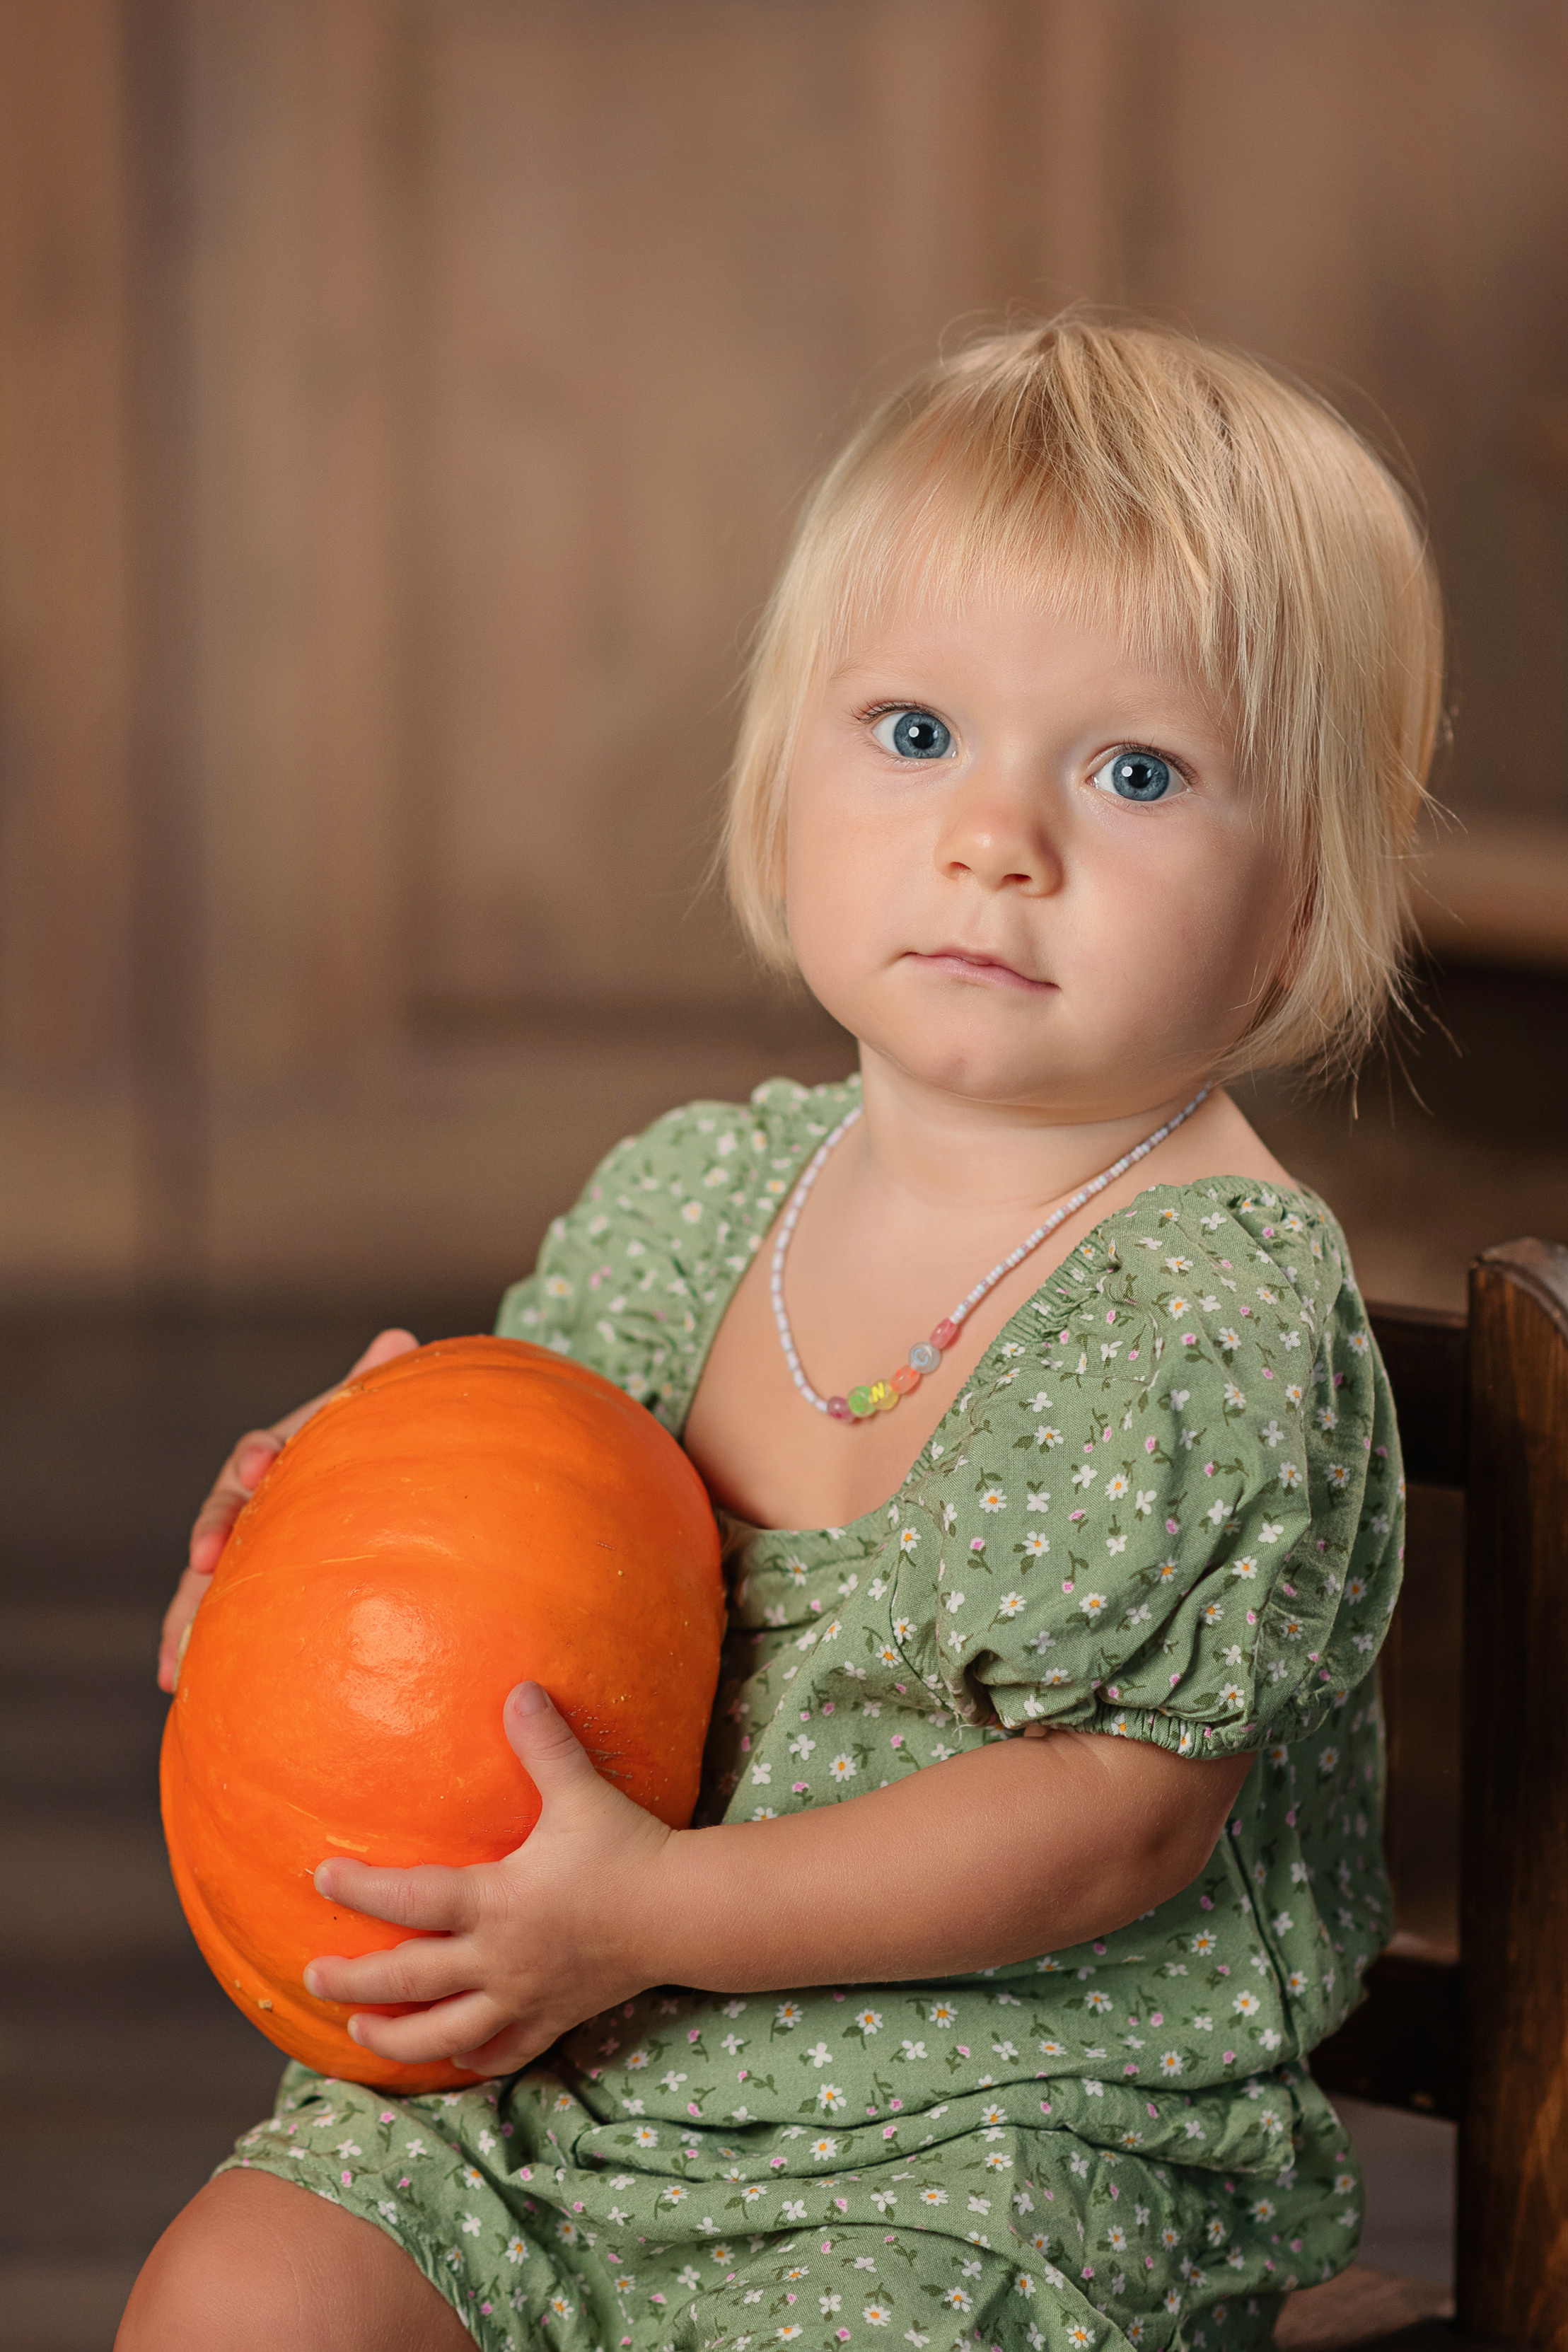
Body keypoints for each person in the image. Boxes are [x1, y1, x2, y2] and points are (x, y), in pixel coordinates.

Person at [119, 317, 1441, 2352]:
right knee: (246, 2290)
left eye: (1135, 770)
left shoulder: (1204, 1306)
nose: (997, 837)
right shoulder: (697, 1198)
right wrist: (324, 1513)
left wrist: (645, 1910)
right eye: (914, 735)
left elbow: (1109, 1822)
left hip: (993, 2132)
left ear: (1302, 899)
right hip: (598, 2065)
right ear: (780, 774)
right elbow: (505, 1535)